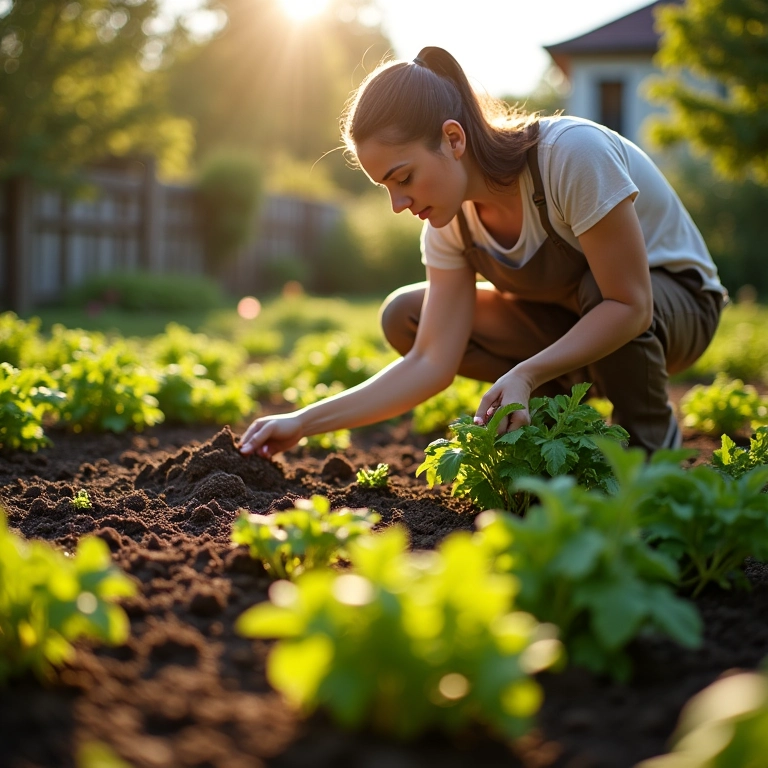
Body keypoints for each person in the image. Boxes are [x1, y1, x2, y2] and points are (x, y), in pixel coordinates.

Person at [239, 45, 726, 460]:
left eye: (403, 177)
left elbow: (630, 304)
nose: (398, 204)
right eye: (385, 187)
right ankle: (562, 435)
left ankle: (651, 453)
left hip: (674, 309)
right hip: (579, 319)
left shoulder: (572, 156)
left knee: (601, 288)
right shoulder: (450, 222)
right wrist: (303, 422)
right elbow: (430, 361)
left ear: (453, 138)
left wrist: (526, 372)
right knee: (406, 316)